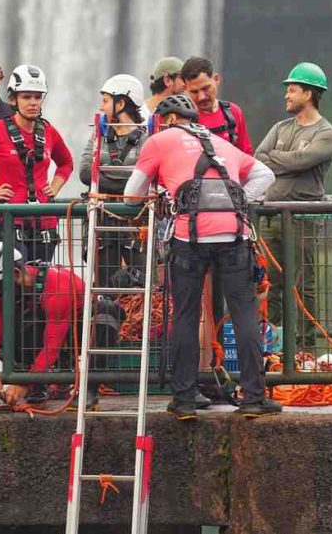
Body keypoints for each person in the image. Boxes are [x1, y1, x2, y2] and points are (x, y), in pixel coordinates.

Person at [124, 94, 280, 419]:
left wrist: (162, 192)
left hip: (189, 237)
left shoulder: (159, 141)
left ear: (168, 120)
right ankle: (254, 397)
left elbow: (130, 195)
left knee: (186, 314)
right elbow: (266, 175)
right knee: (244, 314)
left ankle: (184, 399)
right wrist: (239, 201)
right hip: (234, 234)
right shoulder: (221, 143)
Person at [255, 62, 332, 349]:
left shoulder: (326, 132)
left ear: (309, 93)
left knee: (304, 286)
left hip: (303, 218)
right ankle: (273, 347)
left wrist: (278, 160)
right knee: (269, 284)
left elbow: (304, 161)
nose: (286, 96)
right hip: (270, 217)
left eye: (292, 90)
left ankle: (305, 349)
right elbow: (259, 157)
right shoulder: (280, 127)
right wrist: (291, 161)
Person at [0, 64, 72, 263]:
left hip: (45, 223)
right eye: (26, 97)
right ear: (13, 99)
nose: (33, 103)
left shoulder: (49, 131)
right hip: (7, 221)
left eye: (37, 97)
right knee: (14, 278)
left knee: (40, 279)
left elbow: (66, 162)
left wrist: (55, 187)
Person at [0, 242, 89, 407]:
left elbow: (52, 345)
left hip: (75, 334)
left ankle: (85, 386)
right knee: (13, 321)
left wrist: (24, 384)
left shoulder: (57, 287)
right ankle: (35, 380)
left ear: (16, 274)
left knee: (104, 314)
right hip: (47, 331)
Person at [78, 74, 149, 281]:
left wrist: (105, 179)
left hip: (135, 223)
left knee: (140, 282)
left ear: (121, 103)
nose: (101, 107)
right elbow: (85, 172)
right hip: (103, 221)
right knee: (104, 282)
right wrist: (130, 186)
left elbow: (149, 176)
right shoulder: (98, 136)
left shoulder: (147, 139)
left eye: (106, 101)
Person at [180, 56, 253, 154]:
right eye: (194, 92)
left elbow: (247, 155)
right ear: (185, 88)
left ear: (216, 79)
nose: (201, 97)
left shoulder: (233, 112)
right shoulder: (181, 119)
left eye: (205, 88)